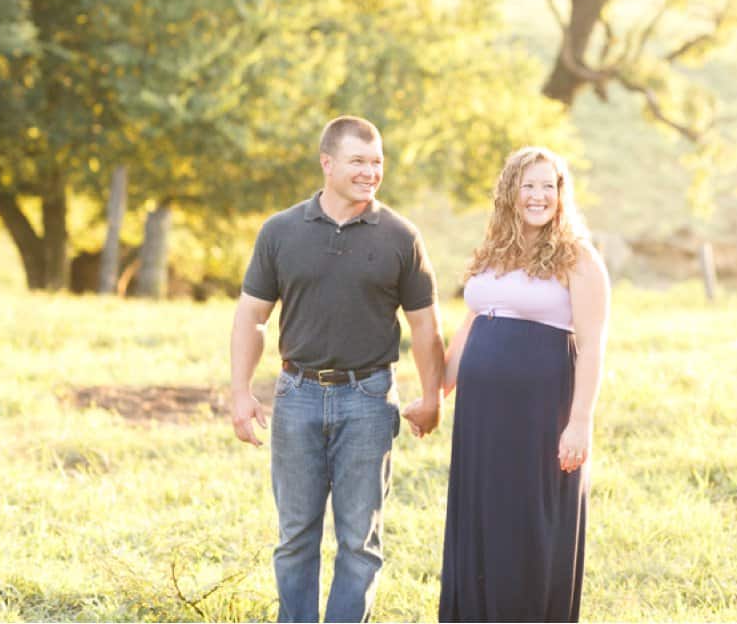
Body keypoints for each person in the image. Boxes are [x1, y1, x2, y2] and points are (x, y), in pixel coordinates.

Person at [229, 115, 445, 623]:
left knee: (360, 541)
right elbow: (251, 318)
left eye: (377, 162)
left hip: (369, 400)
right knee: (295, 536)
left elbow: (426, 328)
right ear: (327, 163)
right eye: (358, 161)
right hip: (297, 396)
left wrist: (433, 396)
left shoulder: (401, 236)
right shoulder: (280, 231)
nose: (371, 172)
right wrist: (240, 391)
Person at [427, 146, 610, 623]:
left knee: (530, 526)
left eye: (549, 186)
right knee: (483, 523)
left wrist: (580, 423)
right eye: (529, 185)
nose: (539, 195)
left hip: (541, 417)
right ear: (510, 192)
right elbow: (473, 325)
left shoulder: (578, 258)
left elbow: (591, 346)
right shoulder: (494, 252)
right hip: (481, 419)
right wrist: (435, 396)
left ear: (561, 195)